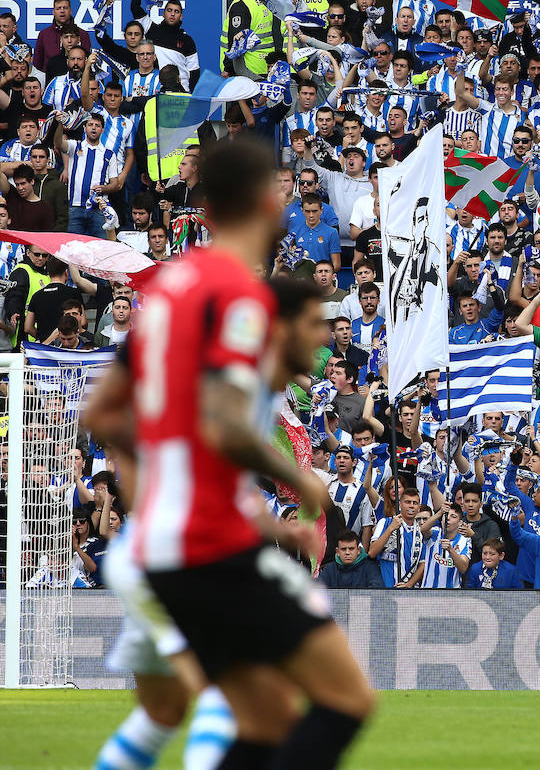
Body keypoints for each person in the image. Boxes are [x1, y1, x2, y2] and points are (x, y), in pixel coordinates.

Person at [116, 140, 374, 767]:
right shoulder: (232, 295)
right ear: (263, 200)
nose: (289, 196)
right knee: (332, 700)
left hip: (164, 542)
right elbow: (224, 428)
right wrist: (302, 483)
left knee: (209, 712)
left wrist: (150, 502)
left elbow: (109, 415)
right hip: (204, 544)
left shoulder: (177, 289)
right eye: (282, 187)